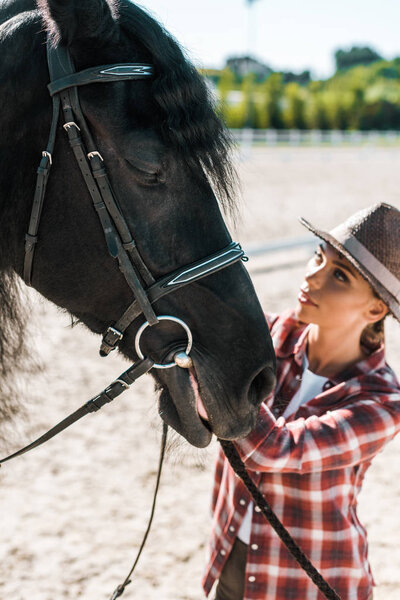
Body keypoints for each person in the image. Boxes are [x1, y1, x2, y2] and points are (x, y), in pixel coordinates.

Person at [202, 202, 400, 600]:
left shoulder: (382, 403)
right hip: (228, 563)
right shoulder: (268, 335)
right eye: (318, 257)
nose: (313, 276)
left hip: (309, 582)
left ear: (376, 308)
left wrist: (215, 372)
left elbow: (274, 450)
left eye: (339, 276)